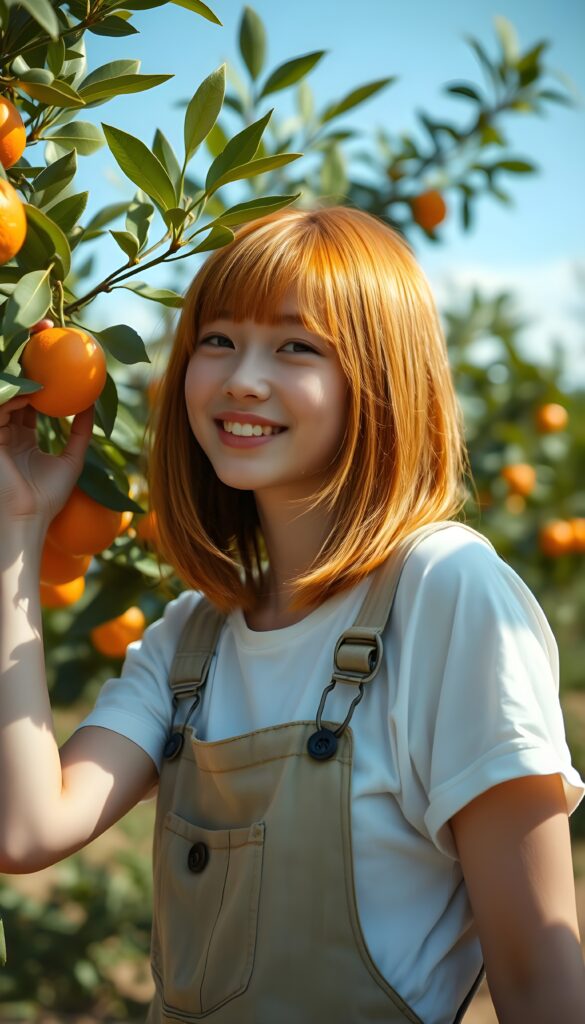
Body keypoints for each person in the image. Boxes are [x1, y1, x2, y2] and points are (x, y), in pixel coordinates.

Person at [1, 205, 584, 1024]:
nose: (242, 376)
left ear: (379, 381)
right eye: (217, 339)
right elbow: (25, 828)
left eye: (296, 346)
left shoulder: (446, 595)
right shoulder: (188, 640)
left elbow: (538, 985)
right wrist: (17, 531)